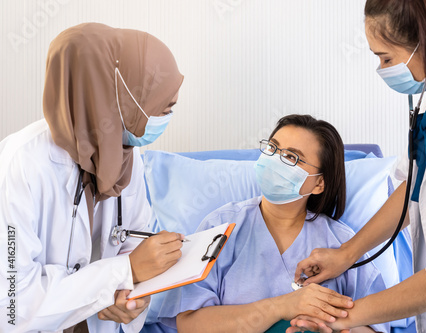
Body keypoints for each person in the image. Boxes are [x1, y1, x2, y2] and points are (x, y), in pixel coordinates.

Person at [289, 0, 426, 332]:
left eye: (386, 58)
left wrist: (342, 316)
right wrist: (346, 254)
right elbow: (411, 189)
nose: (383, 70)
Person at [0, 23, 184, 332]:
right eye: (162, 104)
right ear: (113, 94)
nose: (167, 114)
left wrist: (131, 297)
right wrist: (121, 273)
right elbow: (13, 306)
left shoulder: (128, 154)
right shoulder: (19, 165)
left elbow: (134, 243)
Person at [156, 114, 390, 333]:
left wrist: (331, 326)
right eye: (272, 148)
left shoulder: (343, 245)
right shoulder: (220, 227)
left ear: (319, 184)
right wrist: (281, 307)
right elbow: (188, 323)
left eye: (291, 157)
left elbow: (375, 326)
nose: (276, 160)